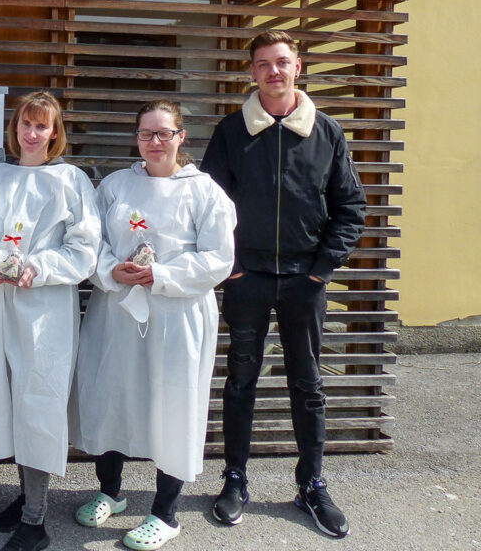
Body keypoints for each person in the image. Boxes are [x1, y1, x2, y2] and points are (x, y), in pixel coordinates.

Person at [200, 30, 366, 538]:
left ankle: (312, 483)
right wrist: (230, 268)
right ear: (251, 72)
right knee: (241, 381)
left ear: (298, 67)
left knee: (308, 383)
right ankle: (234, 479)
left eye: (282, 62)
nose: (274, 71)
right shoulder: (232, 131)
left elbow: (350, 208)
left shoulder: (326, 132)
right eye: (264, 64)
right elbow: (209, 208)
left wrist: (321, 268)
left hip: (303, 280)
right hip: (246, 277)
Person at [69, 100, 236, 550]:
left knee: (173, 405)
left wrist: (161, 275)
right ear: (136, 138)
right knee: (111, 396)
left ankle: (165, 511)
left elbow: (219, 258)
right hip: (117, 310)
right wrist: (110, 270)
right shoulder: (117, 186)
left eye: (164, 133)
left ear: (182, 137)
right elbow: (92, 242)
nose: (155, 142)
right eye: (146, 134)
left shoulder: (205, 191)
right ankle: (110, 491)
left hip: (177, 314)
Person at [0, 91, 100, 551]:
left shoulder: (70, 180)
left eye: (42, 126)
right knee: (7, 402)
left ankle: (36, 518)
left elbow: (84, 249)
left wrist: (36, 268)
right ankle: (26, 495)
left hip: (45, 313)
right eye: (26, 123)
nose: (31, 132)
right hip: (0, 308)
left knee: (38, 404)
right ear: (14, 127)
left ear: (55, 133)